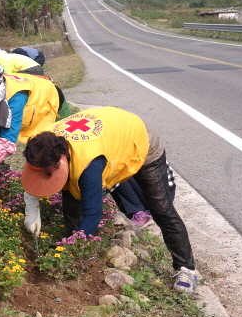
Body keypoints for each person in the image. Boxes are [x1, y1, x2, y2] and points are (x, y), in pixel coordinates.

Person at [20, 106, 198, 293]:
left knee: (161, 208)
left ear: (60, 161)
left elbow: (92, 213)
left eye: (49, 172)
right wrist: (32, 211)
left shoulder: (89, 164)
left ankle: (186, 269)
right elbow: (36, 178)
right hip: (108, 131)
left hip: (138, 136)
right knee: (72, 199)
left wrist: (70, 251)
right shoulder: (39, 146)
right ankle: (78, 252)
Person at [109, 163, 176, 226]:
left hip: (158, 197)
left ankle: (139, 213)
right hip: (167, 194)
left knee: (114, 173)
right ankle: (142, 209)